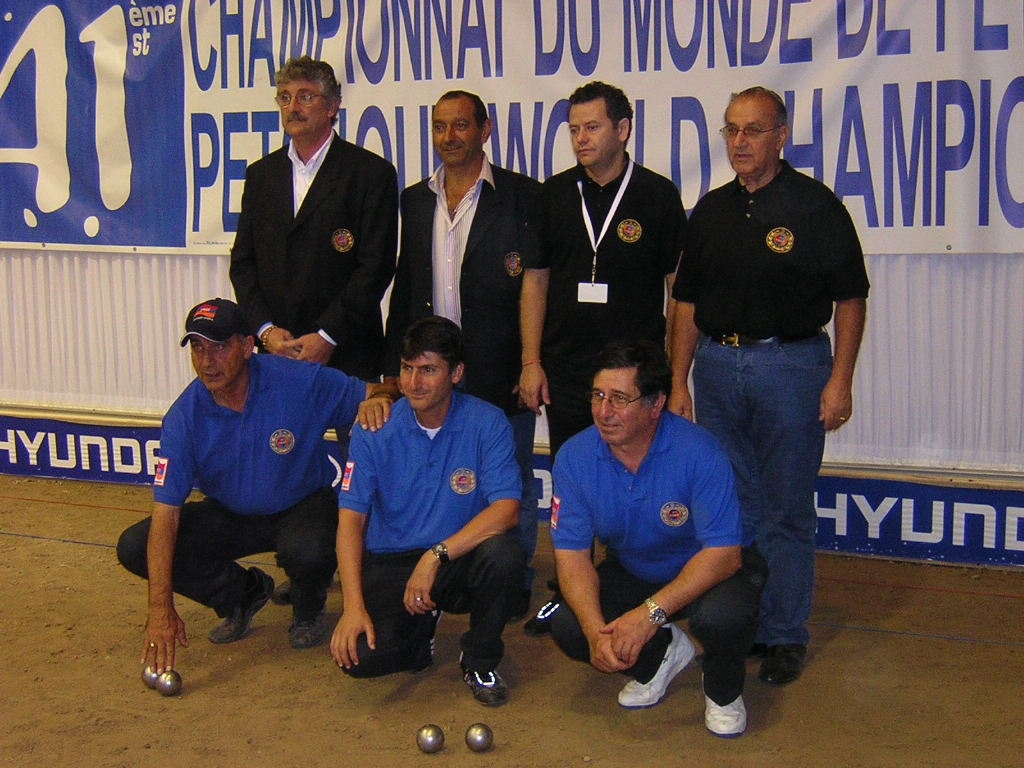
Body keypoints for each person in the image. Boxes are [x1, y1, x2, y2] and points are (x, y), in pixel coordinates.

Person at [669, 86, 869, 686]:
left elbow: (851, 299)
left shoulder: (815, 206)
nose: (740, 142)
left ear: (781, 136)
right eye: (731, 130)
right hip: (717, 367)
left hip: (792, 367)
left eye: (753, 130)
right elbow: (686, 302)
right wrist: (678, 381)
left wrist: (840, 381)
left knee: (786, 509)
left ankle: (784, 634)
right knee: (737, 505)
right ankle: (746, 624)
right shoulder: (711, 210)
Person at [117, 299, 397, 674]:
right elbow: (166, 515)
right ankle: (240, 594)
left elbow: (380, 389)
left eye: (220, 347)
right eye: (198, 347)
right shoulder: (184, 416)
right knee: (135, 545)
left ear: (248, 346)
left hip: (302, 504)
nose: (207, 361)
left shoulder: (297, 381)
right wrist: (159, 609)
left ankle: (308, 606)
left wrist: (379, 399)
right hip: (230, 513)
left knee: (310, 549)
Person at [519, 80, 687, 634]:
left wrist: (676, 375)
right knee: (573, 482)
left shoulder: (657, 196)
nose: (581, 139)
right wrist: (530, 361)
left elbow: (679, 291)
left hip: (636, 379)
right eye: (573, 129)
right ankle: (569, 589)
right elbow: (535, 282)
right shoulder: (553, 195)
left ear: (623, 129)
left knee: (635, 479)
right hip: (568, 370)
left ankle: (631, 587)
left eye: (592, 127)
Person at [548, 341, 767, 738]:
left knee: (722, 618)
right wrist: (595, 631)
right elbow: (572, 557)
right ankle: (662, 656)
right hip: (637, 567)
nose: (603, 411)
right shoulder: (574, 458)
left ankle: (723, 691)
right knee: (568, 624)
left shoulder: (700, 451)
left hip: (710, 569)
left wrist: (649, 614)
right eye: (597, 396)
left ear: (655, 404)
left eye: (619, 399)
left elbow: (724, 555)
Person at [383, 90, 541, 621]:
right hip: (432, 369)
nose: (449, 137)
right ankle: (443, 570)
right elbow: (406, 285)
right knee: (436, 476)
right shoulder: (415, 199)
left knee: (512, 478)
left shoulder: (521, 196)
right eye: (439, 127)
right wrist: (393, 369)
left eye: (460, 126)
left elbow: (536, 289)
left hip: (500, 366)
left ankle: (512, 580)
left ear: (485, 130)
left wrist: (530, 362)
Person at [330, 317, 526, 706]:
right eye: (407, 369)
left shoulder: (488, 422)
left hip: (455, 558)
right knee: (361, 659)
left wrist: (436, 556)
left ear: (456, 373)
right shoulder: (374, 427)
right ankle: (419, 639)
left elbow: (507, 510)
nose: (414, 383)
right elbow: (350, 522)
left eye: (429, 370)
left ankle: (479, 660)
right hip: (391, 560)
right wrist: (352, 608)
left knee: (503, 555)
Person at [229, 55, 397, 379]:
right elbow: (243, 263)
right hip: (277, 353)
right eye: (285, 97)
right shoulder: (261, 175)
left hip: (347, 353)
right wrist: (265, 331)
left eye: (306, 96)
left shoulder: (371, 174)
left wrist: (327, 335)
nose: (293, 107)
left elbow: (375, 268)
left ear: (332, 106)